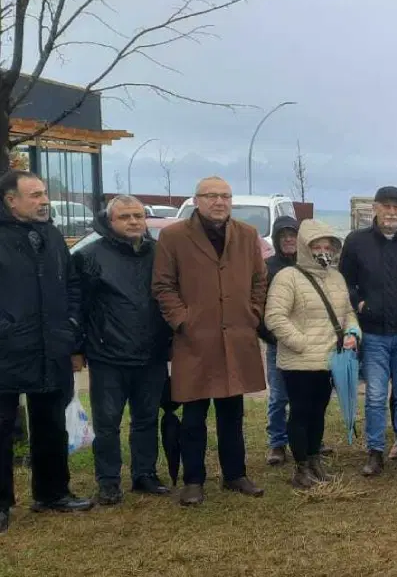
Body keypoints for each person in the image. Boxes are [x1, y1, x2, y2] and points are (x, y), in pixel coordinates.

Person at [153, 176, 268, 506]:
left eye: (226, 196)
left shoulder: (247, 234)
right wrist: (182, 320)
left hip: (236, 336)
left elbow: (260, 279)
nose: (219, 202)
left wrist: (252, 313)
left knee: (232, 413)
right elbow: (162, 285)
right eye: (212, 196)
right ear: (197, 200)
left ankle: (235, 474)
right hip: (195, 340)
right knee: (193, 416)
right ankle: (193, 480)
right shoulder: (174, 236)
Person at [0, 171, 92, 532]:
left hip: (52, 346)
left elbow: (72, 284)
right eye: (35, 195)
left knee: (51, 423)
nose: (44, 201)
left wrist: (70, 324)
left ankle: (52, 493)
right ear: (11, 200)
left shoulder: (51, 235)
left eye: (44, 194)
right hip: (7, 349)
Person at [74, 195, 172, 505]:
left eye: (138, 216)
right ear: (110, 221)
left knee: (146, 419)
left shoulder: (159, 253)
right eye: (125, 217)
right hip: (108, 356)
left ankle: (144, 473)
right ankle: (108, 481)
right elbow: (78, 306)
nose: (133, 222)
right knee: (107, 423)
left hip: (152, 353)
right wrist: (77, 347)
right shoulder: (89, 256)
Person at [264, 219, 359, 489]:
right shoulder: (288, 277)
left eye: (327, 246)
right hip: (299, 361)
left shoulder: (336, 278)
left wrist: (353, 333)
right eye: (317, 246)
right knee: (300, 413)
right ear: (306, 248)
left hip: (329, 359)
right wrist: (301, 342)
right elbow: (275, 317)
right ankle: (301, 466)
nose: (323, 251)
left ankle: (315, 460)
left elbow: (347, 312)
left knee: (319, 412)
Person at [340, 186, 397, 477]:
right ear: (375, 208)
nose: (391, 212)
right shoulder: (356, 241)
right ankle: (375, 451)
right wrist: (359, 302)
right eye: (385, 206)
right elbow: (345, 281)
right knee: (375, 395)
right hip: (373, 331)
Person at [262, 215, 299, 466]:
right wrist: (271, 335)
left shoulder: (309, 266)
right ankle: (277, 442)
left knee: (305, 396)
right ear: (276, 239)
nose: (288, 239)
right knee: (278, 396)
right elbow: (257, 306)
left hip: (307, 344)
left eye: (292, 235)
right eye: (283, 235)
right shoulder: (266, 268)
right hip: (277, 344)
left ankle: (308, 439)